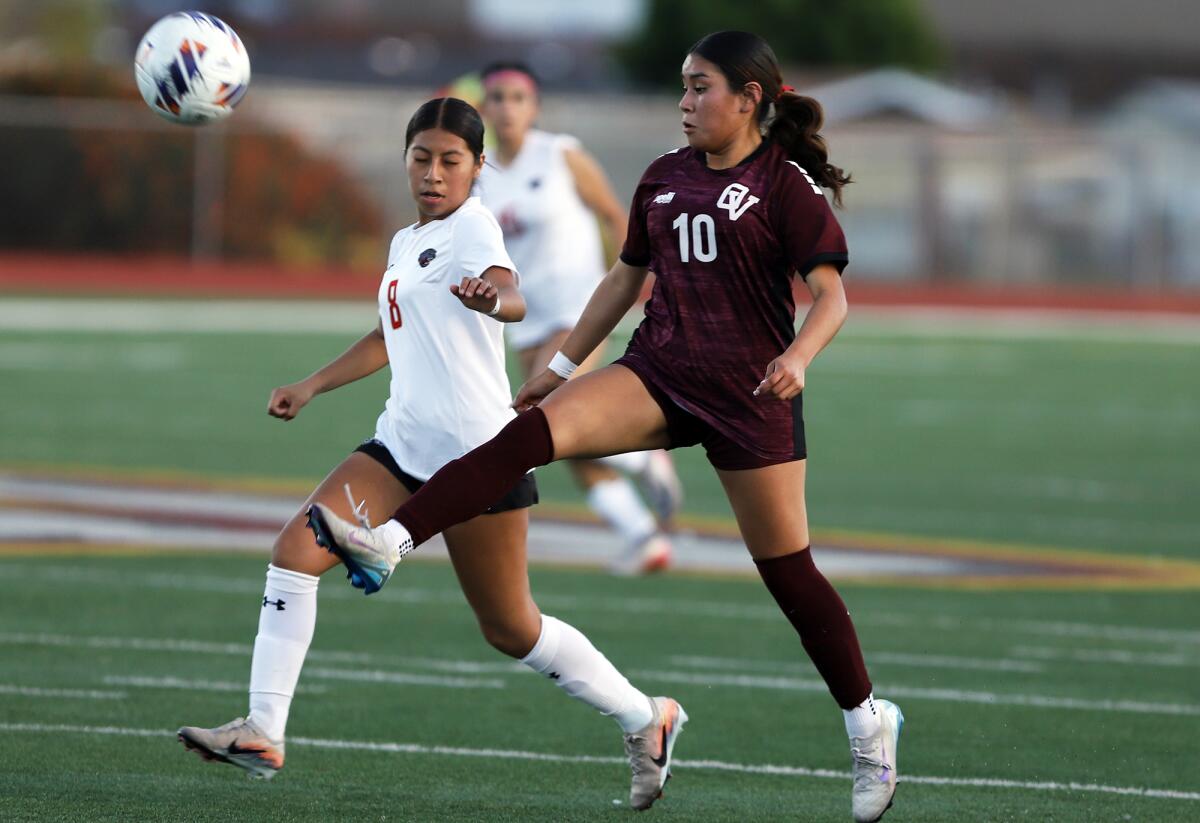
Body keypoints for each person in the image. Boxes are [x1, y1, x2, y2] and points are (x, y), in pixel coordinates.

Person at [312, 31, 903, 823]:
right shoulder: (663, 176)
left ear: (750, 98)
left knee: (789, 573)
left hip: (751, 396)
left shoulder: (785, 185)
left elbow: (829, 296)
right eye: (683, 88)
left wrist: (799, 356)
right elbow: (625, 279)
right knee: (523, 437)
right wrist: (560, 368)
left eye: (701, 88)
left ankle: (868, 722)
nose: (686, 102)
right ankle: (391, 541)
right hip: (658, 373)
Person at [178, 97, 687, 812]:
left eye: (452, 160)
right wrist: (312, 384)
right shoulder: (403, 240)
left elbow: (510, 294)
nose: (434, 172)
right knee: (294, 553)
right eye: (422, 157)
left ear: (478, 168)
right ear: (406, 159)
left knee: (512, 626)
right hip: (397, 448)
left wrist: (493, 299)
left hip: (478, 459)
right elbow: (389, 335)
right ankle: (264, 728)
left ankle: (645, 715)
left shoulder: (474, 225)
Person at [477, 61, 682, 575]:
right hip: (525, 318)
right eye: (496, 97)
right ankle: (642, 536)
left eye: (517, 97)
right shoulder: (480, 176)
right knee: (561, 437)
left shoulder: (560, 153)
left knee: (543, 415)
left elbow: (617, 215)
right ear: (483, 107)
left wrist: (635, 278)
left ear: (535, 106)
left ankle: (642, 459)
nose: (506, 107)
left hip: (579, 306)